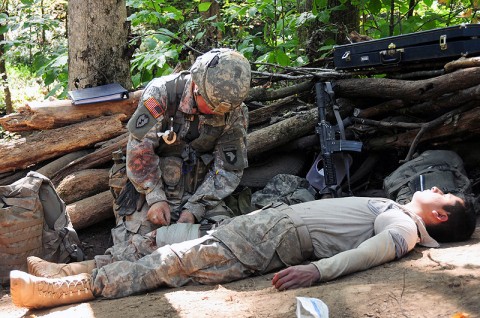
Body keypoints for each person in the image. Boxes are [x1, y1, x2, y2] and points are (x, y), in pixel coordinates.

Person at [10, 187, 477, 309]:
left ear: (439, 215)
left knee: (177, 260)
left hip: (278, 235)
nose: (433, 188)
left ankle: (66, 288)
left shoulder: (405, 226)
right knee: (177, 254)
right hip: (273, 228)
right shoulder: (401, 211)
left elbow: (371, 253)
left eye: (443, 195)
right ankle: (63, 272)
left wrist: (318, 273)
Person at [110, 48, 251, 245]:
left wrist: (195, 208)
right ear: (196, 86)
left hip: (202, 191)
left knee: (224, 242)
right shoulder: (161, 93)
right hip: (150, 185)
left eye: (222, 109)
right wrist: (155, 196)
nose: (216, 112)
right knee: (137, 243)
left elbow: (228, 169)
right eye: (211, 105)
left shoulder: (235, 111)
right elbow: (139, 150)